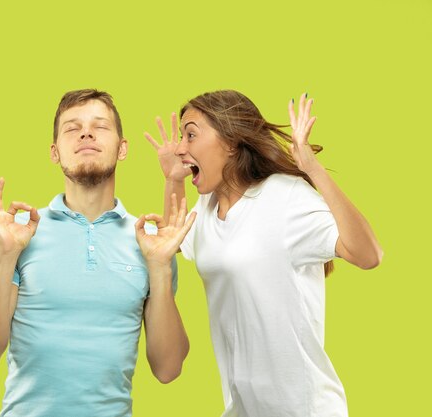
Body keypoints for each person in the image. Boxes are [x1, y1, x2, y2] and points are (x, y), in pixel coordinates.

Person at [145, 90, 383, 417]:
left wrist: (313, 169)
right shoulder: (207, 208)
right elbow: (173, 241)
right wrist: (173, 179)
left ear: (230, 142)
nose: (181, 147)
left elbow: (368, 254)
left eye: (191, 135)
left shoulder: (284, 197)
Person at [0, 89, 195, 417]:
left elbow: (168, 368)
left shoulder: (150, 242)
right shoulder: (17, 234)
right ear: (55, 152)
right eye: (72, 128)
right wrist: (5, 255)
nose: (86, 132)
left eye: (100, 126)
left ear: (123, 148)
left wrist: (160, 267)